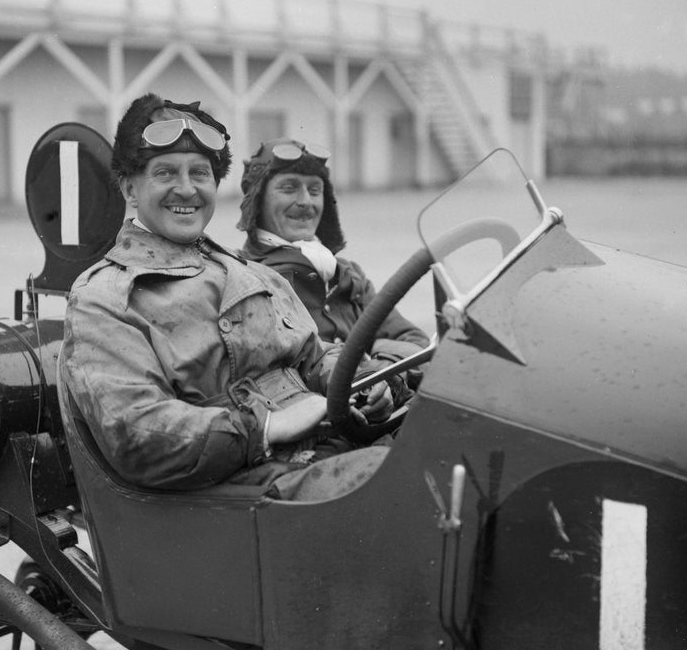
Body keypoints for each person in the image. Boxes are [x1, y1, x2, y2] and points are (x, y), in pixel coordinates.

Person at [59, 94, 399, 501]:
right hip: (239, 493)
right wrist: (267, 426)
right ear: (130, 189)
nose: (187, 189)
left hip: (319, 456)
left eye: (200, 173)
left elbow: (313, 355)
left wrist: (364, 381)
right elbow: (137, 431)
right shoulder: (105, 299)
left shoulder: (254, 273)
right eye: (166, 173)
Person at [237, 137, 431, 370]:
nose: (305, 201)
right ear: (257, 199)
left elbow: (415, 341)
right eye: (289, 188)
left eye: (315, 190)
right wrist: (379, 357)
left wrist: (384, 368)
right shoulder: (247, 279)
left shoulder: (348, 274)